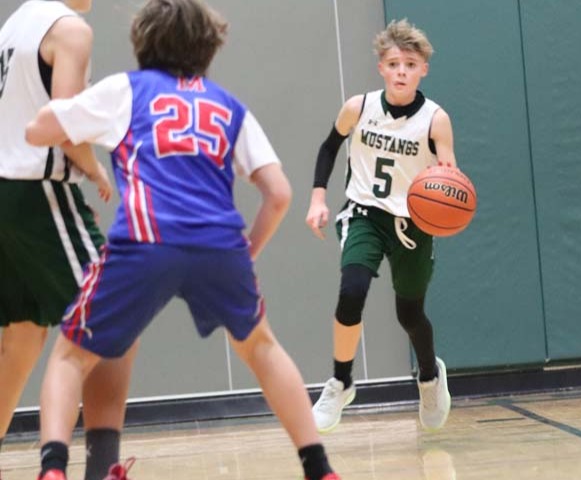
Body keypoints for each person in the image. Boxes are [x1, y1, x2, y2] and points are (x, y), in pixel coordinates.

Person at [25, 1, 341, 479]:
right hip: (220, 245)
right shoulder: (228, 105)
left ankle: (53, 468)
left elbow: (39, 130)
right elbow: (279, 194)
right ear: (209, 47)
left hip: (145, 239)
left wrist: (67, 105)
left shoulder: (127, 89)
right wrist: (247, 252)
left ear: (142, 40)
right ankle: (319, 468)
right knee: (262, 348)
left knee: (70, 355)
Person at [0, 1, 138, 479]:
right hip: (35, 189)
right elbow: (62, 123)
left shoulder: (14, 24)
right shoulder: (70, 30)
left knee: (21, 336)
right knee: (113, 312)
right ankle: (96, 469)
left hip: (7, 190)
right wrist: (94, 169)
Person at [305, 18, 454, 433]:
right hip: (365, 213)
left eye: (410, 64)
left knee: (410, 314)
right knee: (351, 291)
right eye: (393, 64)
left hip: (413, 222)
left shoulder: (435, 119)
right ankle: (341, 382)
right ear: (381, 69)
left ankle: (429, 376)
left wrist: (448, 202)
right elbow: (329, 147)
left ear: (423, 69)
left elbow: (449, 174)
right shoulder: (359, 107)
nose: (401, 72)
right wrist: (318, 197)